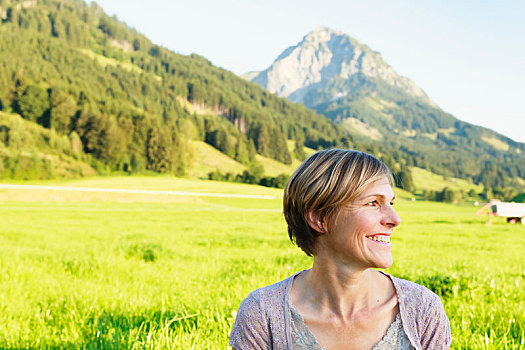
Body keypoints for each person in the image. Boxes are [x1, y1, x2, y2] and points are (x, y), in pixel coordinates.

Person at [230, 149, 451, 349]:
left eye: (391, 203)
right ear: (319, 218)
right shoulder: (262, 315)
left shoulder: (422, 310)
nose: (395, 219)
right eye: (373, 203)